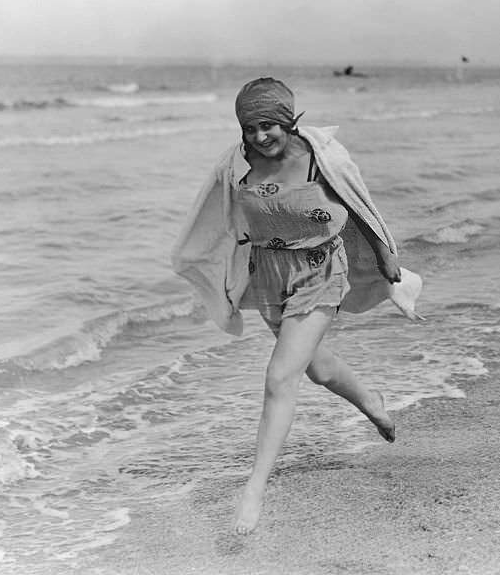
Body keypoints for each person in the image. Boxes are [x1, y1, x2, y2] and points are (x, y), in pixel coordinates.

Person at [171, 77, 423, 535]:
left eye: (267, 125)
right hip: (269, 275)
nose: (258, 137)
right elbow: (216, 218)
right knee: (317, 368)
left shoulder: (322, 158)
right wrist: (209, 275)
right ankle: (372, 401)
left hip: (321, 270)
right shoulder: (236, 163)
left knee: (279, 377)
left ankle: (255, 489)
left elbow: (360, 206)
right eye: (248, 128)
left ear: (288, 121)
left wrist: (387, 258)